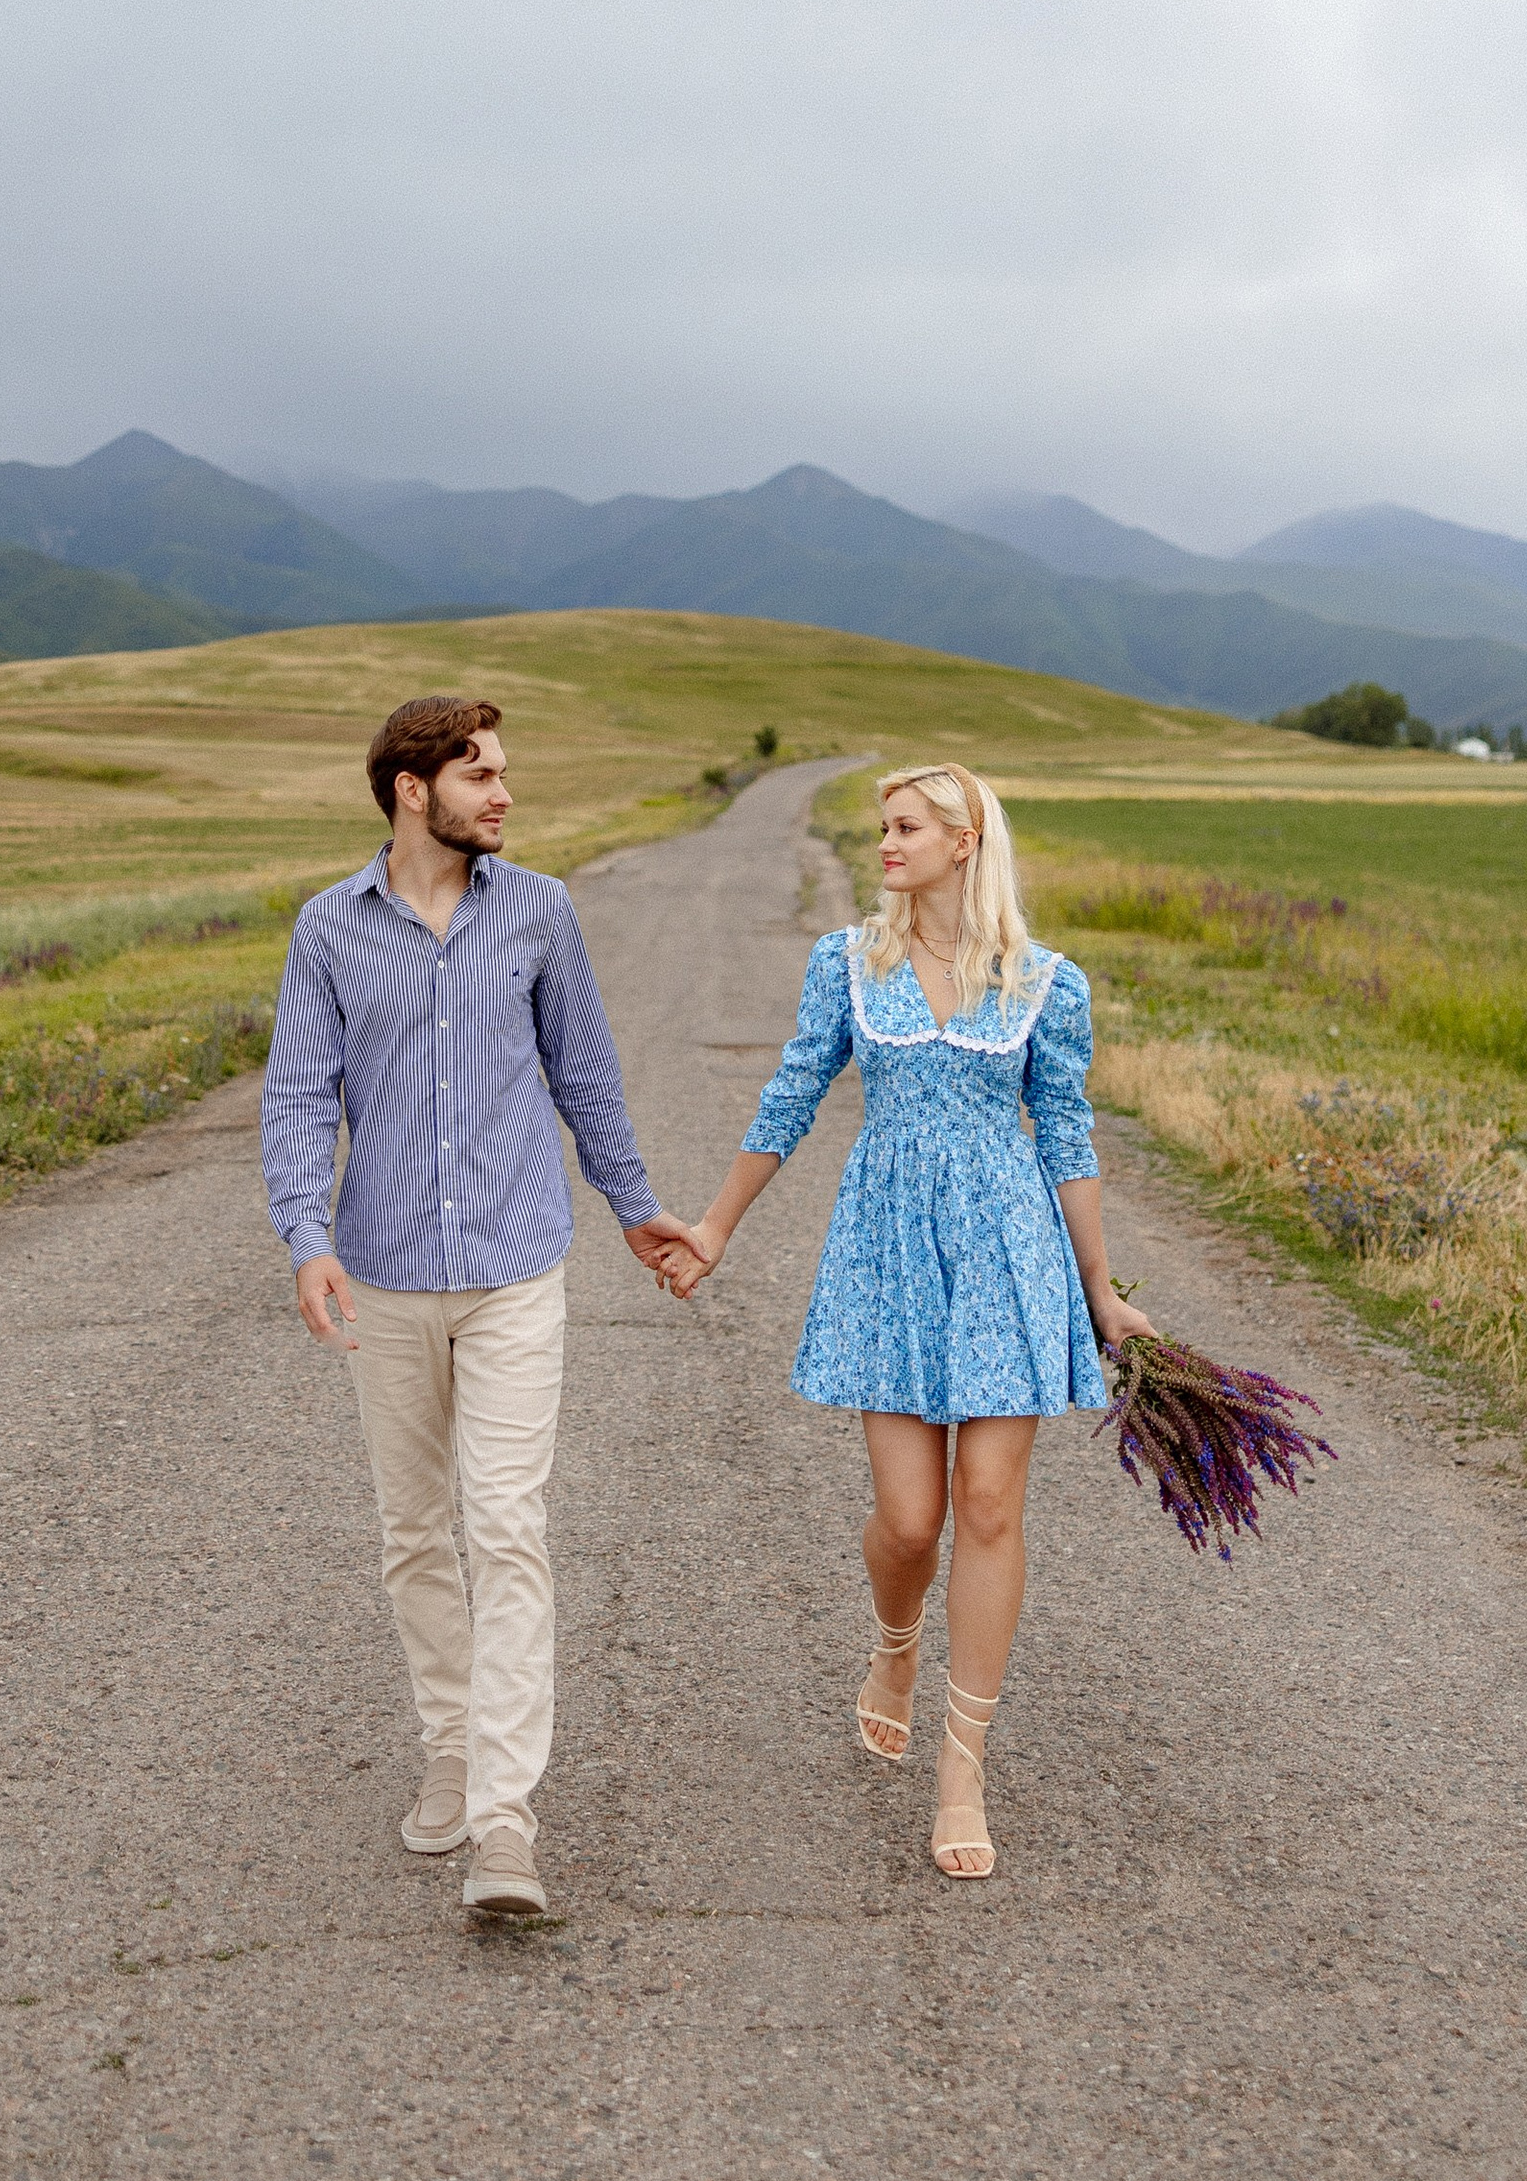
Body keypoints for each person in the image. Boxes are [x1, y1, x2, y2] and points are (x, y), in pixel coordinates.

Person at [660, 763, 1154, 1881]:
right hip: (888, 1253)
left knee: (987, 1505)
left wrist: (1099, 1287)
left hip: (1009, 1255)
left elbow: (1066, 1135)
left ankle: (963, 1761)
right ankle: (894, 1647)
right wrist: (716, 1228)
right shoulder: (848, 963)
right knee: (910, 1521)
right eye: (880, 826)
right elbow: (790, 1093)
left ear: (965, 841)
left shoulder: (1044, 984)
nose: (883, 844)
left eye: (903, 827)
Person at [261, 695, 694, 1917]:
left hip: (515, 1267)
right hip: (385, 1272)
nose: (503, 794)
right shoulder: (328, 931)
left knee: (505, 1522)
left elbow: (586, 1076)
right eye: (480, 775)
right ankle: (446, 1747)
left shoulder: (541, 912)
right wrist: (305, 1238)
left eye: (504, 774)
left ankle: (505, 1817)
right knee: (413, 1531)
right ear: (413, 790)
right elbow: (299, 1097)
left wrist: (633, 1204)